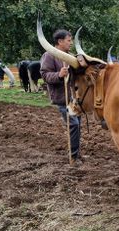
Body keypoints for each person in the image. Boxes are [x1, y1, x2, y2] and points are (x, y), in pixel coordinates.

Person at [40, 29, 82, 165]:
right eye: (68, 41)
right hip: (62, 98)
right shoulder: (49, 55)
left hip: (73, 99)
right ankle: (74, 157)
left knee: (77, 125)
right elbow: (45, 75)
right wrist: (59, 75)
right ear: (60, 41)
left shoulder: (69, 56)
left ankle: (76, 153)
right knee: (74, 125)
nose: (70, 43)